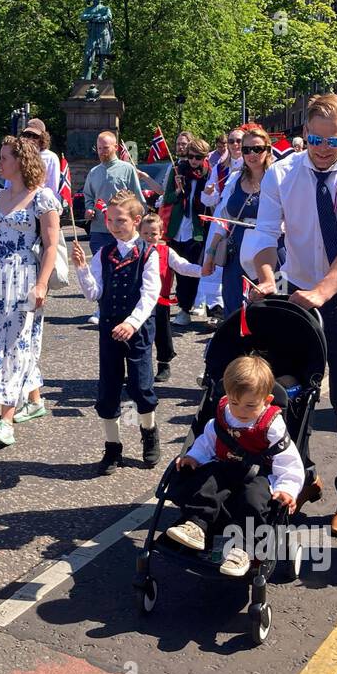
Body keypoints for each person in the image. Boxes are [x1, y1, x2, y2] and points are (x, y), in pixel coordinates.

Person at [247, 93, 337, 537]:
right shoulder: (281, 174)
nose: (323, 148)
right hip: (293, 289)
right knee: (290, 392)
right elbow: (266, 232)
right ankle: (301, 477)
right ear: (304, 133)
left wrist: (322, 292)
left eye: (334, 139)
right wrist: (268, 278)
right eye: (315, 138)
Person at [164, 355, 304, 577]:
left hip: (259, 473)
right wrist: (195, 456)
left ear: (267, 401)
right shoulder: (223, 413)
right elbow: (208, 440)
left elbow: (288, 461)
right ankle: (197, 524)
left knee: (253, 498)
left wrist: (287, 488)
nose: (240, 410)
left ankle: (244, 548)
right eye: (234, 402)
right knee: (208, 480)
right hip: (225, 464)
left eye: (250, 405)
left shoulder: (271, 425)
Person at [0, 134, 61, 447]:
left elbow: (50, 246)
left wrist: (41, 284)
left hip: (22, 280)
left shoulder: (43, 197)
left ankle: (5, 420)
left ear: (21, 162)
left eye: (4, 157)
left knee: (14, 346)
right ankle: (34, 400)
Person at [70, 191, 162, 475]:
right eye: (109, 220)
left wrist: (132, 323)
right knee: (108, 388)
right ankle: (113, 447)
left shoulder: (148, 253)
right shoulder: (104, 253)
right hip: (110, 328)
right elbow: (94, 293)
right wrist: (82, 269)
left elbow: (150, 295)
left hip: (137, 329)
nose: (114, 225)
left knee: (140, 386)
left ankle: (148, 432)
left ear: (136, 221)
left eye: (120, 220)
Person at [203, 125, 277, 315]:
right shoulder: (235, 179)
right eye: (246, 150)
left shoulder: (279, 178)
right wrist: (210, 254)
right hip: (236, 251)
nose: (252, 154)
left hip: (270, 251)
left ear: (268, 150)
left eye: (257, 149)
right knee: (235, 308)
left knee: (270, 310)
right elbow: (223, 218)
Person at [139, 212, 202, 382]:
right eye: (145, 233)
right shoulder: (135, 251)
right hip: (137, 302)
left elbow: (182, 266)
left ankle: (164, 363)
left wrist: (202, 271)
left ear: (161, 234)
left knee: (162, 334)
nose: (149, 237)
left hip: (160, 301)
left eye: (153, 233)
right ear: (139, 233)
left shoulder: (166, 251)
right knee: (139, 336)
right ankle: (138, 367)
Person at [198, 127, 246, 320]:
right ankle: (216, 312)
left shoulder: (252, 164)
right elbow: (210, 201)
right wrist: (208, 193)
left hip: (243, 218)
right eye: (232, 141)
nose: (235, 145)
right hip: (222, 217)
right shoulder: (220, 167)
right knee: (217, 258)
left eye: (239, 141)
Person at [162, 138, 210, 326]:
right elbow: (167, 197)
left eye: (198, 157)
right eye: (191, 156)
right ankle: (184, 307)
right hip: (177, 228)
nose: (193, 161)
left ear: (205, 157)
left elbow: (212, 202)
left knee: (193, 268)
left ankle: (188, 305)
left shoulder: (208, 174)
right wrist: (178, 191)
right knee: (179, 270)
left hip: (197, 229)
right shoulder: (178, 171)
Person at [83, 128, 146, 258]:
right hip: (99, 230)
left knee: (124, 269)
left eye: (105, 148)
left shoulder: (127, 169)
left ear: (116, 147)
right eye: (99, 148)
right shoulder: (93, 172)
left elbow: (138, 199)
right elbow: (88, 196)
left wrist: (140, 225)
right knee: (100, 270)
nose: (101, 152)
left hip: (123, 229)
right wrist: (89, 209)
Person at [20, 118, 61, 197]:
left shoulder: (51, 157)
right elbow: (8, 184)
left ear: (42, 138)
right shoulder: (17, 155)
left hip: (40, 201)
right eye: (27, 135)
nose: (30, 139)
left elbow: (53, 188)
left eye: (35, 136)